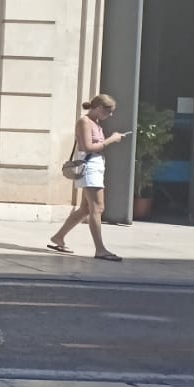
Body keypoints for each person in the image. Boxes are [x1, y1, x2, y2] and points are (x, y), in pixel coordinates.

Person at [48, 93, 127, 262]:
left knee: (85, 209)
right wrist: (111, 139)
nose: (110, 115)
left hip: (96, 166)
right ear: (98, 108)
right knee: (97, 208)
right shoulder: (84, 122)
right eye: (108, 111)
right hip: (90, 167)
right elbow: (87, 147)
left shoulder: (95, 123)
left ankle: (58, 237)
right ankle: (100, 249)